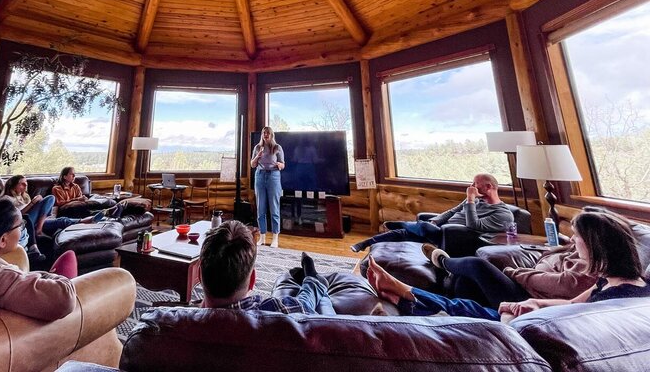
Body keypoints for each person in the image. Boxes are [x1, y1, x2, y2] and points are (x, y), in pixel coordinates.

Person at [365, 210, 650, 321]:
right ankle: (405, 296)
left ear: (597, 245)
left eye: (578, 238)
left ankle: (410, 290)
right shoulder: (608, 281)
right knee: (465, 291)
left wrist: (522, 307)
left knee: (470, 301)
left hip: (535, 327)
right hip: (536, 308)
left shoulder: (618, 300)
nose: (573, 241)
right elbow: (571, 303)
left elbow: (570, 313)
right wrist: (534, 303)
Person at [0, 199, 78, 321]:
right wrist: (47, 275)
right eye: (21, 225)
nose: (22, 229)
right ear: (3, 240)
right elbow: (65, 298)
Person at [351, 173, 513, 252]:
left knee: (422, 227)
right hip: (437, 230)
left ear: (489, 187)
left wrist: (470, 200)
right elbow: (452, 211)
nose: (471, 187)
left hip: (452, 236)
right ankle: (364, 244)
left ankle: (407, 224)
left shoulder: (503, 214)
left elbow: (473, 225)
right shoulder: (476, 200)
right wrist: (436, 220)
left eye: (475, 184)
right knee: (403, 233)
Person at [199, 220, 335, 315]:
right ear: (253, 280)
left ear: (199, 275)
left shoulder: (186, 321)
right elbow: (303, 307)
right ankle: (313, 281)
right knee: (308, 301)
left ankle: (312, 281)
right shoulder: (274, 315)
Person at [5, 174, 106, 237]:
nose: (26, 185)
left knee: (62, 220)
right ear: (14, 185)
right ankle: (39, 230)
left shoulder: (25, 196)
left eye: (26, 183)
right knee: (50, 198)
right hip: (24, 221)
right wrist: (32, 203)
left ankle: (87, 220)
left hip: (36, 221)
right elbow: (17, 215)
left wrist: (35, 203)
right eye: (22, 184)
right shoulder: (7, 199)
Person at [251, 126, 285, 248]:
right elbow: (252, 164)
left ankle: (275, 238)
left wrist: (279, 164)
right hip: (259, 176)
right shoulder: (257, 147)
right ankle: (262, 237)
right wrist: (258, 156)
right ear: (262, 135)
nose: (266, 135)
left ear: (271, 135)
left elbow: (283, 164)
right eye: (264, 133)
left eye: (268, 133)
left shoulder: (277, 147)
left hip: (273, 176)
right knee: (261, 208)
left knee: (274, 208)